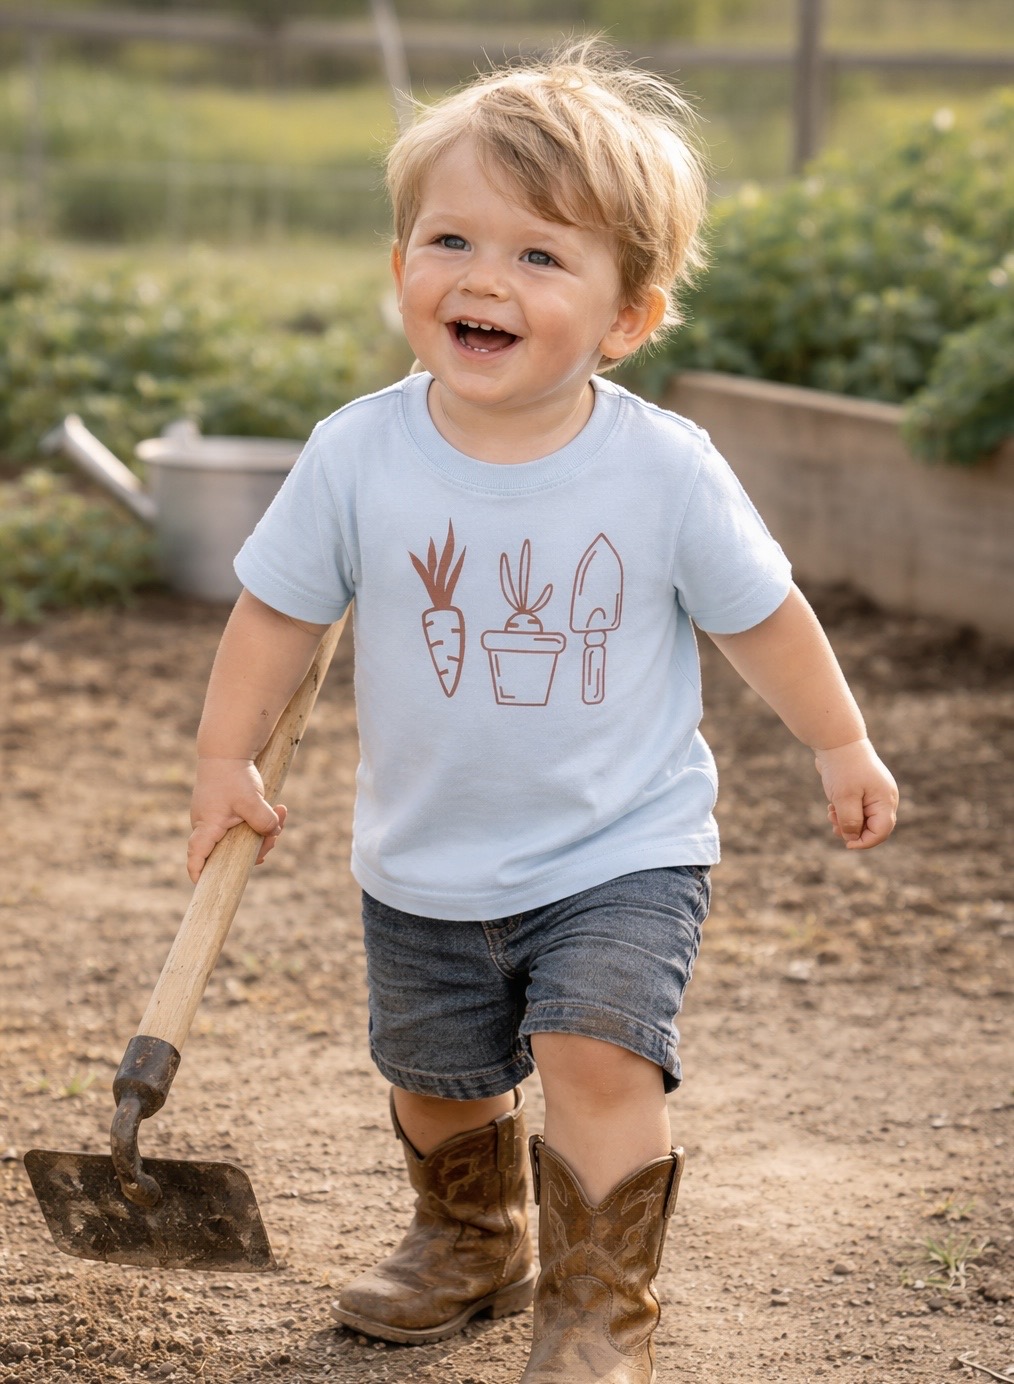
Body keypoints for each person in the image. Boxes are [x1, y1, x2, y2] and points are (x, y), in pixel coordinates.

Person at [187, 40, 899, 1384]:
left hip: (618, 847)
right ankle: (472, 1238)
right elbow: (276, 611)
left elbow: (761, 616)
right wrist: (225, 753)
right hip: (423, 855)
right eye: (449, 237)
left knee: (596, 1055)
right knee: (436, 1072)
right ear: (401, 261)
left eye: (538, 256)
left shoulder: (662, 470)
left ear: (626, 317)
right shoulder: (357, 451)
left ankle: (598, 1301)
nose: (480, 278)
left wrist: (836, 740)